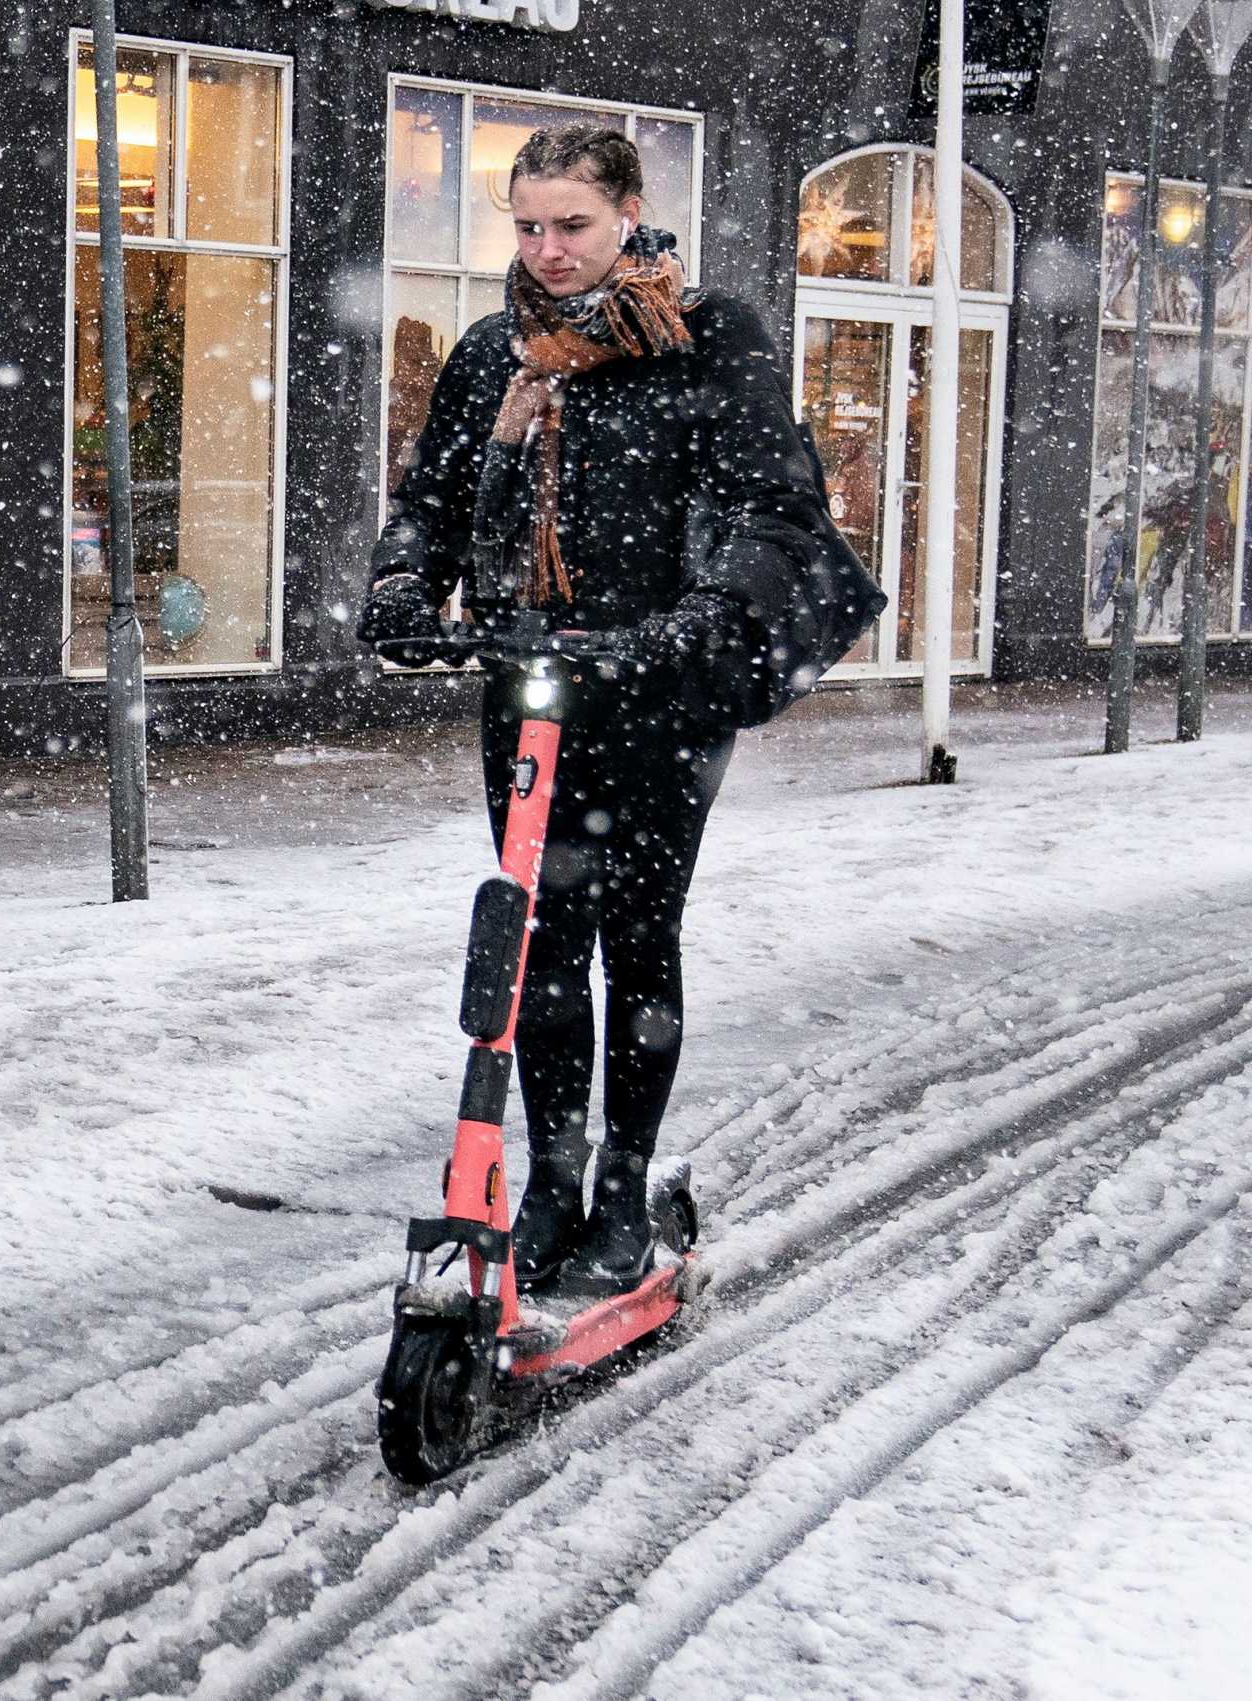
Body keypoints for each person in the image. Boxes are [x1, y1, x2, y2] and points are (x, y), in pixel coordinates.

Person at [359, 124, 881, 1292]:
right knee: (540, 945)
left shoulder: (707, 339)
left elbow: (768, 505)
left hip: (659, 691)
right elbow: (431, 496)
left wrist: (695, 621)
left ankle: (622, 1187)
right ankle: (549, 1182)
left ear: (631, 211)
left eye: (573, 226)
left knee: (637, 941)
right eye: (529, 226)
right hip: (531, 682)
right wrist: (401, 584)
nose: (548, 250)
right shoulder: (498, 353)